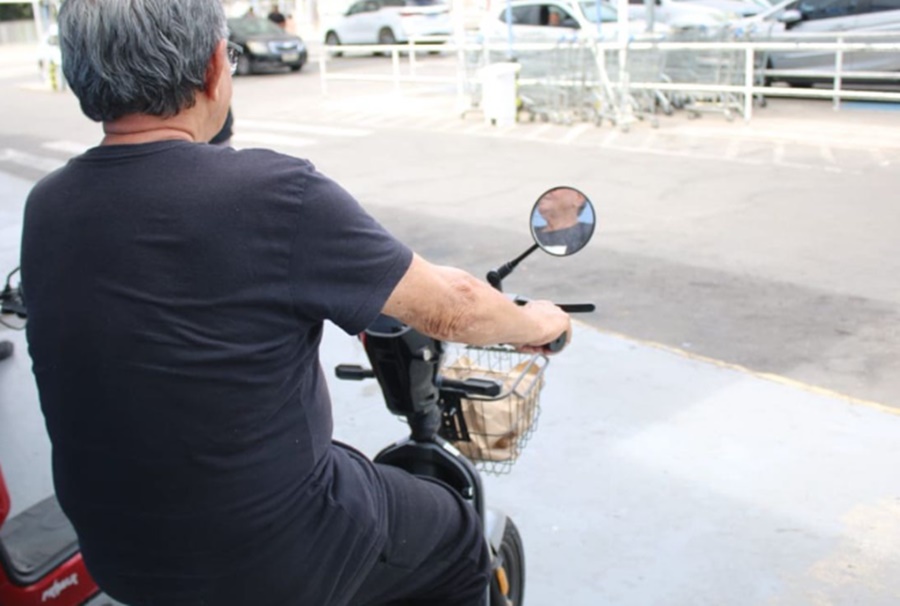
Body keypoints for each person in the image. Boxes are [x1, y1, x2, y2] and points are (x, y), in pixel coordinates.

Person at [21, 1, 572, 605]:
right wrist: (536, 321)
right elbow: (455, 307)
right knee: (457, 536)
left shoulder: (47, 205)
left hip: (119, 554)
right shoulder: (273, 192)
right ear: (214, 66)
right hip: (271, 554)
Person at [532, 186, 594, 255]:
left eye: (555, 188)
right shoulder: (530, 235)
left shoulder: (589, 234)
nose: (545, 193)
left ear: (579, 198)